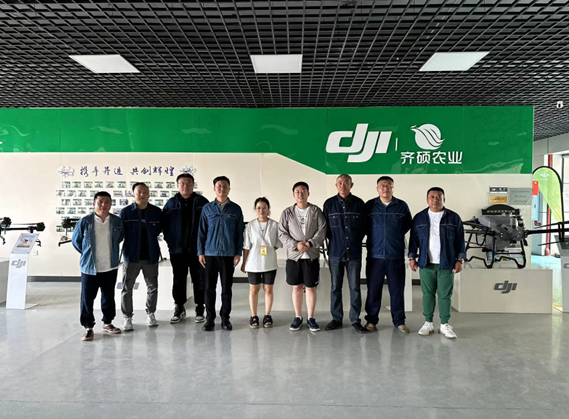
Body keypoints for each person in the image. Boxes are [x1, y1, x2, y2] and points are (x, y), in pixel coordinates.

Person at [408, 187, 465, 339]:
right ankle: (428, 323)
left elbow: (460, 240)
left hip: (447, 263)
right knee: (427, 294)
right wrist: (412, 258)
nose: (435, 199)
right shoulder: (419, 217)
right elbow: (413, 240)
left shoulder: (453, 217)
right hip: (426, 263)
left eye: (439, 196)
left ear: (444, 199)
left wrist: (460, 260)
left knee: (445, 295)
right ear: (427, 200)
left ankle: (445, 324)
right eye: (432, 197)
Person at [72, 191, 124, 341]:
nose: (103, 205)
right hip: (90, 267)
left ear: (111, 204)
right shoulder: (85, 222)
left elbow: (119, 238)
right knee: (87, 298)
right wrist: (88, 254)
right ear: (94, 203)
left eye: (107, 202)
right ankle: (88, 327)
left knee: (108, 297)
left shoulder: (116, 221)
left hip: (110, 266)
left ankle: (108, 323)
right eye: (100, 202)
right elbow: (76, 242)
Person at [363, 176, 412, 333]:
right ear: (377, 188)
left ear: (393, 188)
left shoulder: (402, 206)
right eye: (382, 186)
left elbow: (406, 226)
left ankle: (399, 321)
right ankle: (371, 320)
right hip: (375, 256)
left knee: (397, 290)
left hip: (395, 255)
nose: (385, 188)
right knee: (373, 290)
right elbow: (364, 227)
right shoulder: (370, 206)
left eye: (388, 185)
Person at [198, 176, 245, 331]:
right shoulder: (207, 209)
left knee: (226, 289)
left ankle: (225, 319)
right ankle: (209, 319)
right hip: (210, 254)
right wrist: (201, 252)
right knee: (209, 289)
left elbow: (239, 233)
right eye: (218, 186)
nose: (221, 189)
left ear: (229, 189)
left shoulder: (236, 209)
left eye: (225, 186)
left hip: (228, 254)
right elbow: (201, 233)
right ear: (214, 189)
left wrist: (238, 253)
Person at [278, 182, 327, 332]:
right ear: (293, 194)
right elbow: (282, 233)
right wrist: (295, 244)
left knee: (311, 287)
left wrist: (310, 243)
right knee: (297, 287)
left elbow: (322, 229)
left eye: (303, 191)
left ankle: (311, 318)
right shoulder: (287, 213)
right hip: (294, 256)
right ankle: (298, 317)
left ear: (308, 193)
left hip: (311, 255)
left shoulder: (315, 211)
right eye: (297, 191)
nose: (300, 194)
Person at [323, 174, 367, 333]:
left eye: (346, 183)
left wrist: (354, 240)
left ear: (351, 185)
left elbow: (364, 227)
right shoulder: (329, 204)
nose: (343, 185)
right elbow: (325, 229)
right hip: (335, 253)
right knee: (335, 287)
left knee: (355, 287)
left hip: (354, 253)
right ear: (336, 185)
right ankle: (336, 318)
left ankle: (355, 319)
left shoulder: (359, 203)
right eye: (340, 183)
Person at [163, 173, 209, 324]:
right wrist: (170, 242)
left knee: (199, 279)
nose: (185, 186)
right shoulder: (171, 203)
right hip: (177, 250)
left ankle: (200, 308)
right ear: (177, 185)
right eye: (182, 183)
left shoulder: (202, 202)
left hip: (198, 250)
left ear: (193, 185)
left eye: (188, 183)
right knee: (178, 279)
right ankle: (179, 307)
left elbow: (209, 225)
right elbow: (165, 226)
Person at [119, 182, 162, 330]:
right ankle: (127, 317)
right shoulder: (125, 212)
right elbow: (120, 233)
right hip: (131, 256)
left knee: (152, 287)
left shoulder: (156, 212)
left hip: (151, 256)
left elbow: (159, 230)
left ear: (149, 194)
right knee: (127, 288)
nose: (142, 195)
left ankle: (151, 314)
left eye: (145, 192)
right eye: (139, 192)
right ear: (133, 194)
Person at [241, 197, 282, 328]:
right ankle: (254, 316)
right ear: (255, 210)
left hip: (269, 262)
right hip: (253, 262)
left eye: (264, 207)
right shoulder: (250, 226)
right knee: (254, 289)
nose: (261, 210)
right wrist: (244, 263)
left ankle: (267, 315)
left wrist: (268, 249)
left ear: (268, 210)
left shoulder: (275, 225)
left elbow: (277, 244)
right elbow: (246, 246)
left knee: (268, 289)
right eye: (258, 208)